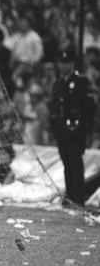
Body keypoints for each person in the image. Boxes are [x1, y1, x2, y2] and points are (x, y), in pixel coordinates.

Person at [49, 49, 96, 207]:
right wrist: (54, 128)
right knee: (67, 163)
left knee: (76, 164)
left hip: (76, 130)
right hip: (62, 130)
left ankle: (78, 197)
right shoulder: (58, 83)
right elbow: (55, 108)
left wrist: (86, 129)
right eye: (61, 63)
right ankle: (69, 196)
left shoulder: (81, 82)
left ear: (72, 63)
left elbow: (89, 107)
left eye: (66, 62)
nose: (63, 66)